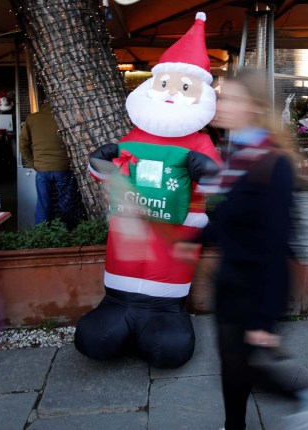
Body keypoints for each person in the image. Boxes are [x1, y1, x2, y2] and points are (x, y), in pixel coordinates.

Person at [178, 68, 308, 430]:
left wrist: (265, 319)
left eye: (231, 98)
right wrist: (190, 242)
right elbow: (228, 219)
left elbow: (277, 244)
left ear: (254, 107)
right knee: (232, 366)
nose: (221, 103)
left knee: (246, 367)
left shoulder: (273, 162)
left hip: (254, 289)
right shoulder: (239, 154)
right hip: (230, 282)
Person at [74, 12, 222, 369]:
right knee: (97, 338)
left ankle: (165, 313)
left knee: (168, 346)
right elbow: (109, 176)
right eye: (166, 85)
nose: (172, 94)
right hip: (128, 238)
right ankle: (118, 306)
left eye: (184, 87)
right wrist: (101, 161)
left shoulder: (200, 142)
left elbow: (218, 184)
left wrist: (208, 173)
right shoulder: (133, 138)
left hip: (174, 245)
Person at [19, 101, 76, 227]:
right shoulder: (65, 117)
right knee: (65, 204)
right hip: (63, 168)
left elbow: (23, 144)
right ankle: (66, 233)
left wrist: (33, 162)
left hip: (42, 170)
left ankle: (41, 234)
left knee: (43, 204)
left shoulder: (33, 118)